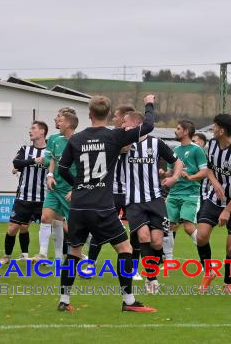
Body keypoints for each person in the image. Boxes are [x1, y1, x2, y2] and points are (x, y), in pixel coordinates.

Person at [56, 94, 157, 312]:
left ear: (90, 114)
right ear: (109, 115)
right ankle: (128, 301)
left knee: (74, 252)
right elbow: (148, 125)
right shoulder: (116, 136)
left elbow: (62, 169)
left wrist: (78, 185)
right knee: (125, 248)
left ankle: (64, 300)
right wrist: (148, 102)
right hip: (101, 205)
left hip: (79, 206)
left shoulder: (76, 139)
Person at [124, 111, 183, 293]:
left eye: (126, 123)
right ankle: (151, 279)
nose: (123, 126)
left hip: (155, 199)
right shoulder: (124, 144)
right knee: (143, 237)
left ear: (136, 124)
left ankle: (153, 268)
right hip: (134, 200)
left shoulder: (156, 143)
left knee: (157, 242)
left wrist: (174, 177)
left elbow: (177, 161)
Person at [87, 105, 142, 280]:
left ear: (126, 118)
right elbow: (122, 148)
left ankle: (132, 269)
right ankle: (90, 264)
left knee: (136, 231)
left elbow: (128, 148)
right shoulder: (111, 136)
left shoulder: (138, 137)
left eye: (118, 117)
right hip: (112, 192)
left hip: (132, 193)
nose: (115, 120)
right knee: (99, 227)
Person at [197, 114, 231, 294]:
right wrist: (215, 182)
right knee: (201, 236)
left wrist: (227, 210)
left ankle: (228, 283)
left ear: (222, 130)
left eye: (215, 126)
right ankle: (209, 272)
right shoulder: (211, 144)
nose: (212, 128)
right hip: (214, 198)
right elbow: (209, 169)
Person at [32, 110, 78, 263]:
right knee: (46, 217)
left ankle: (79, 256)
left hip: (69, 189)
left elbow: (83, 167)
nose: (56, 120)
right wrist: (50, 175)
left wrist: (75, 188)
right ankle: (43, 254)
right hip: (54, 187)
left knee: (72, 227)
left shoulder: (79, 141)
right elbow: (51, 158)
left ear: (68, 122)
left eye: (60, 118)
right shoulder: (54, 139)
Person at [0, 121, 48, 264]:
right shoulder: (25, 149)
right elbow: (16, 163)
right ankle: (6, 256)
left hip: (45, 198)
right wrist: (35, 160)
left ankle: (55, 256)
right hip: (24, 197)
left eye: (33, 128)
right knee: (13, 228)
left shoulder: (50, 151)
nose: (30, 131)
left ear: (42, 132)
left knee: (56, 226)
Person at [160, 120, 207, 263]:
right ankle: (168, 260)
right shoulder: (175, 151)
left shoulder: (197, 150)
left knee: (188, 227)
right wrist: (164, 174)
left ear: (186, 131)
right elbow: (171, 172)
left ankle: (204, 253)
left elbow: (204, 172)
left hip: (190, 194)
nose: (175, 130)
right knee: (168, 226)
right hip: (174, 193)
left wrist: (191, 177)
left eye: (178, 128)